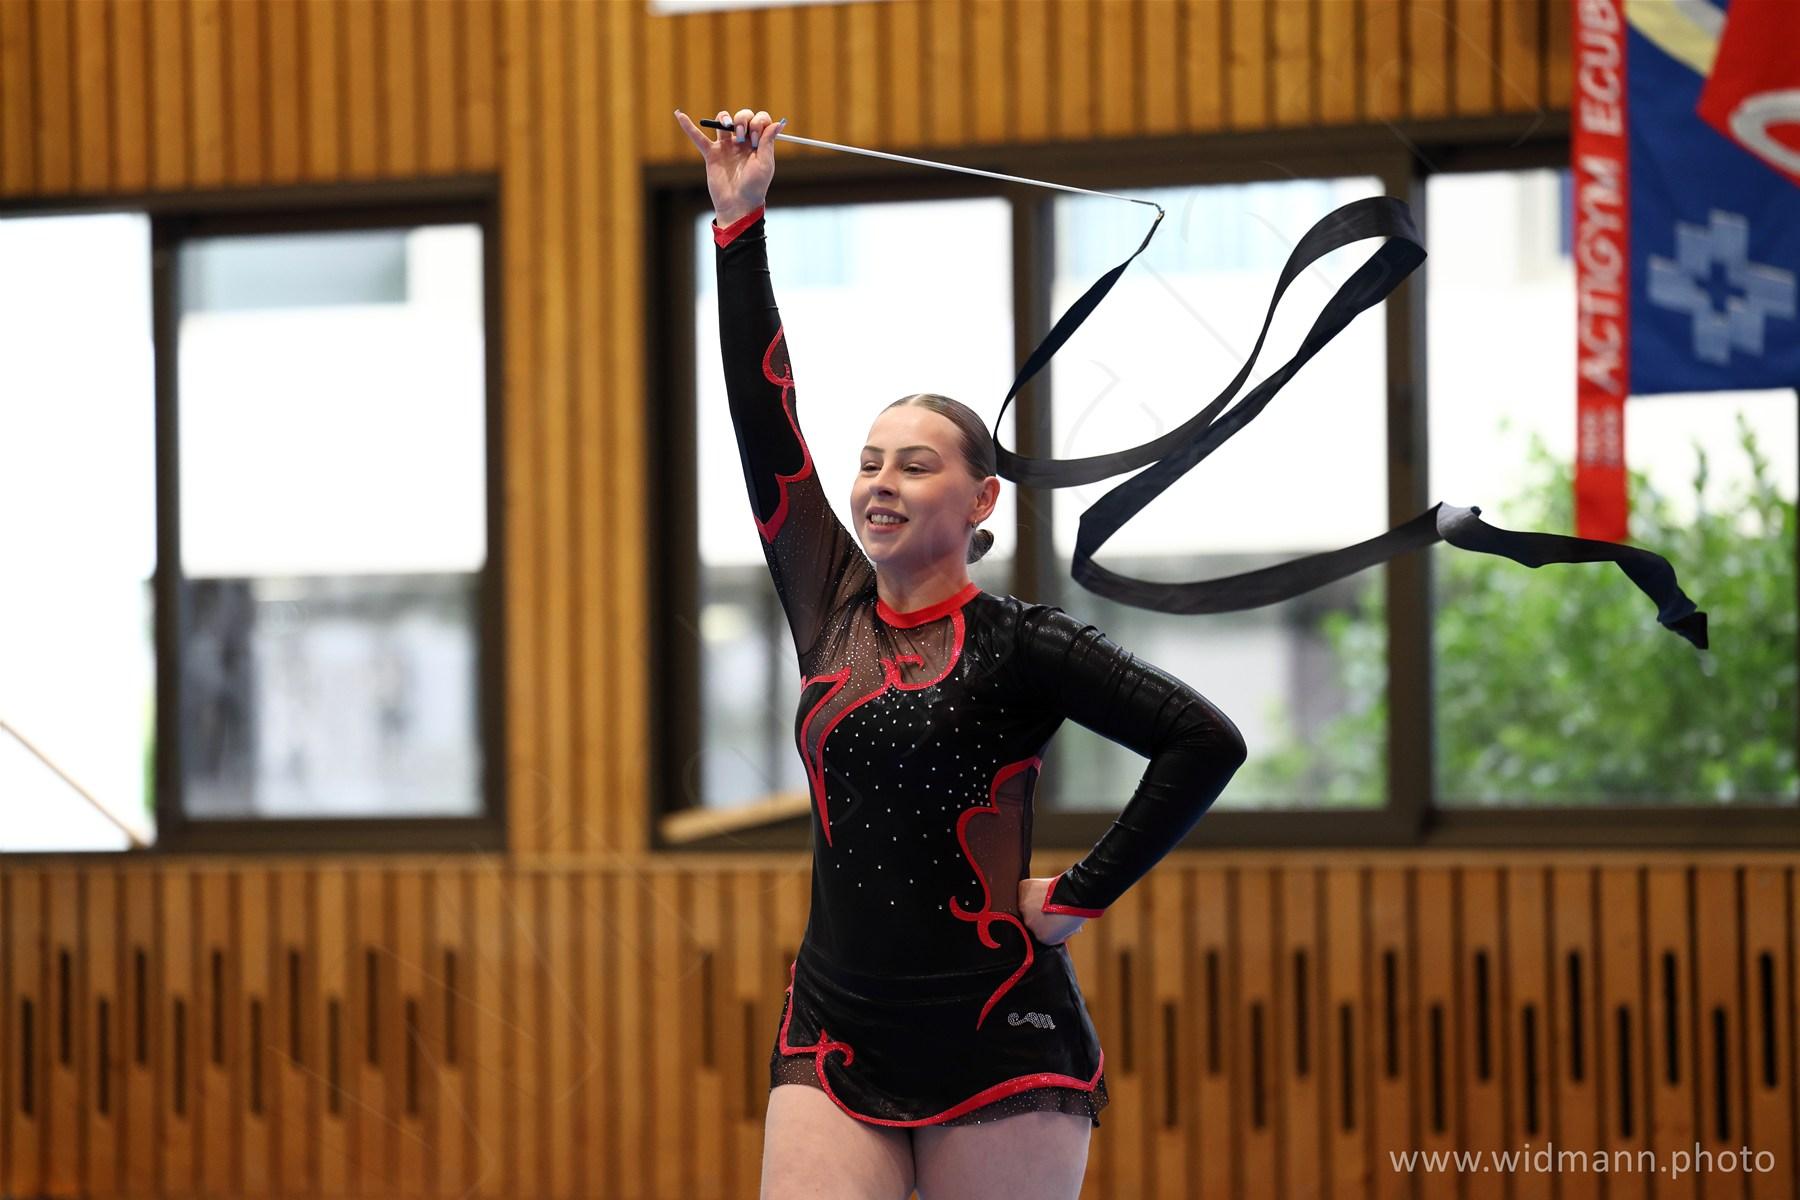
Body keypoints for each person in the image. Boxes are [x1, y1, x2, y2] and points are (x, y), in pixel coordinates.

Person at [677, 106, 1247, 1200]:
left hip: (1000, 1036)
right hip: (836, 1032)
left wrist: (1081, 893)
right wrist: (739, 224)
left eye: (915, 465)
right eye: (870, 462)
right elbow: (764, 426)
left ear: (980, 499)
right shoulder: (827, 602)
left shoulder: (1023, 644)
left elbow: (1202, 739)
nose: (879, 484)